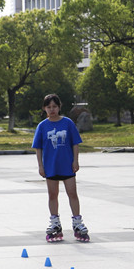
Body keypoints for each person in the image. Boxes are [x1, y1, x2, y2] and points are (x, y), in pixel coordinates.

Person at [32, 93, 90, 242]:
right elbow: (38, 148)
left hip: (67, 166)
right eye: (49, 107)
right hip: (51, 166)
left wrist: (75, 161)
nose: (52, 110)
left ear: (59, 107)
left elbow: (75, 143)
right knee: (52, 195)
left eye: (54, 107)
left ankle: (77, 223)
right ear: (44, 108)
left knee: (72, 193)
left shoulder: (68, 123)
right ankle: (55, 223)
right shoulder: (42, 126)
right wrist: (40, 166)